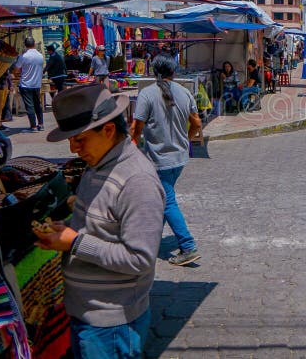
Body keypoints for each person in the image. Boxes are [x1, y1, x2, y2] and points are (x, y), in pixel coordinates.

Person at [37, 84, 164, 358]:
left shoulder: (137, 181)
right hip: (88, 314)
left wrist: (74, 242)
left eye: (79, 140)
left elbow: (139, 259)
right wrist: (66, 230)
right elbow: (96, 227)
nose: (73, 148)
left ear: (108, 130)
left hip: (112, 325)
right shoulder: (98, 166)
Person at [131, 53, 202, 266]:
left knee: (167, 201)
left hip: (158, 159)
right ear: (173, 72)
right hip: (180, 158)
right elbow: (197, 124)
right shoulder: (185, 92)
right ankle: (149, 240)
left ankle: (187, 245)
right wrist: (185, 141)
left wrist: (132, 148)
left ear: (155, 73)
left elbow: (136, 128)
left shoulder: (147, 94)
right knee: (161, 198)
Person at [15, 36, 45, 131]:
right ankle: (41, 124)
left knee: (30, 106)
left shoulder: (23, 57)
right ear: (34, 44)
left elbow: (16, 70)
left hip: (26, 84)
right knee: (37, 105)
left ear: (25, 45)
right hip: (36, 84)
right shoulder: (40, 56)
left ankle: (33, 126)